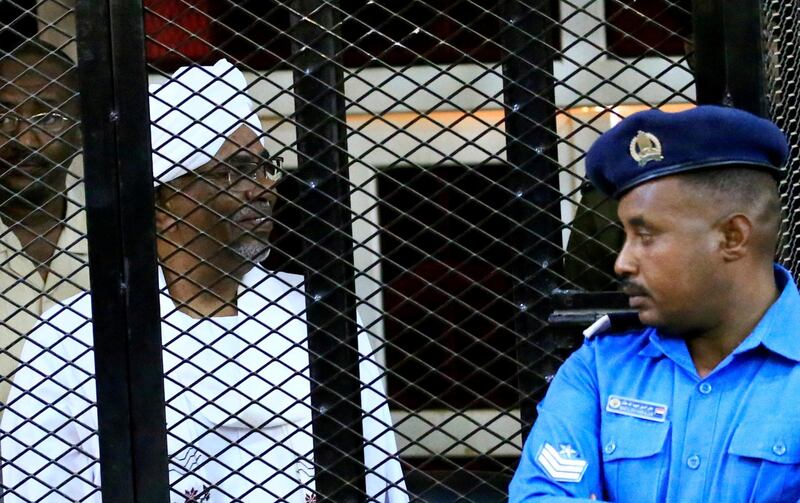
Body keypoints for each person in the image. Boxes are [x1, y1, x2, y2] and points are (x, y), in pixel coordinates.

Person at [1, 60, 408, 503]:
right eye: (232, 172)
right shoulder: (77, 333)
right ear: (161, 204)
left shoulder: (318, 318)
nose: (261, 188)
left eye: (265, 167)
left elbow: (381, 483)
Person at [509, 105, 800, 502]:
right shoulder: (599, 370)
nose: (622, 262)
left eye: (645, 236)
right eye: (624, 235)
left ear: (733, 236)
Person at [0, 41, 88, 406]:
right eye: (2, 116)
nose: (22, 138)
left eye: (48, 117)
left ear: (81, 128)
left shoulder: (131, 237)